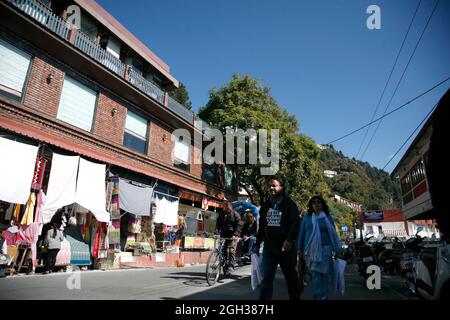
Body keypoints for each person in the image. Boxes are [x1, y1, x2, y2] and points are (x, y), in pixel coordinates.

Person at [254, 175, 300, 300]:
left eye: (274, 185)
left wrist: (289, 240)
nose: (271, 188)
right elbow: (262, 226)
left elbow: (295, 223)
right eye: (269, 186)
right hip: (269, 248)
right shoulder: (266, 205)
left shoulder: (290, 205)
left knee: (291, 279)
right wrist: (257, 244)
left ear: (282, 187)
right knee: (266, 280)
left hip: (286, 249)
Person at [296, 196, 343, 300]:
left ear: (322, 205)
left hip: (325, 249)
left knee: (324, 275)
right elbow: (302, 234)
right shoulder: (306, 218)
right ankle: (318, 295)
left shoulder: (328, 217)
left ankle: (323, 297)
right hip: (310, 251)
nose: (316, 204)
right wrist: (299, 248)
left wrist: (337, 250)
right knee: (315, 275)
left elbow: (333, 234)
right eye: (314, 202)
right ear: (311, 205)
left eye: (318, 202)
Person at [215, 200, 241, 269]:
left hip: (233, 235)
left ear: (229, 207)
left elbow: (238, 226)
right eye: (223, 207)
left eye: (225, 207)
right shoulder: (222, 214)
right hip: (224, 234)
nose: (224, 208)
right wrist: (216, 232)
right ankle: (224, 261)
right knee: (223, 249)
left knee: (231, 250)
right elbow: (218, 224)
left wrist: (235, 235)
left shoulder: (235, 215)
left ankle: (231, 264)